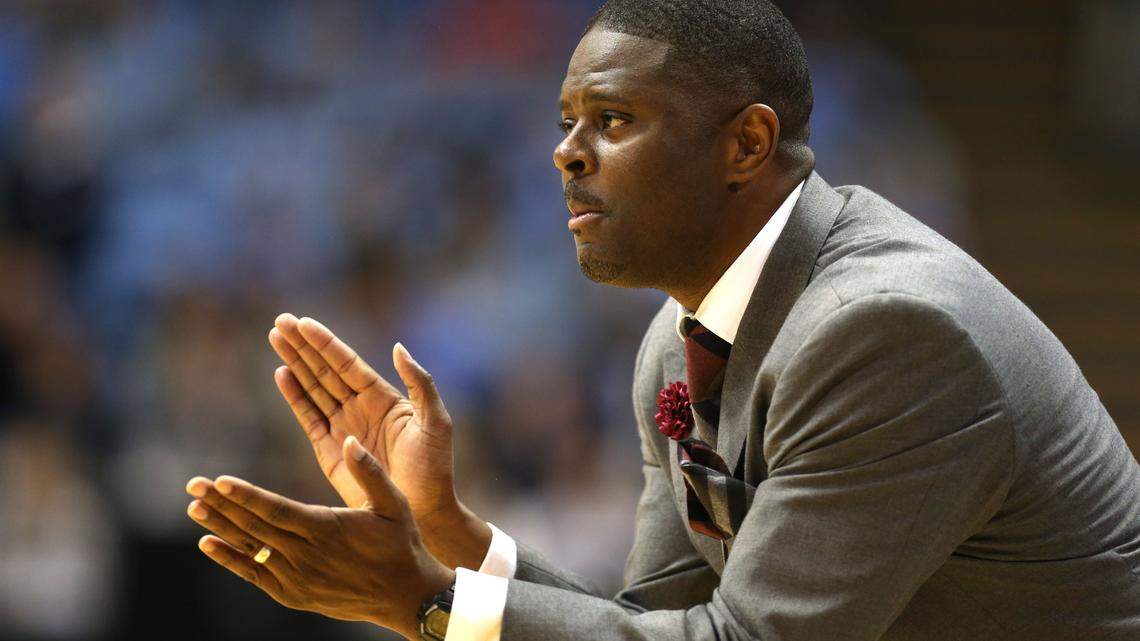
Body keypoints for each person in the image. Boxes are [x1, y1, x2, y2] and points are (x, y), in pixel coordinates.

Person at [185, 2, 1140, 640]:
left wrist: (423, 599)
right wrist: (451, 531)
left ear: (747, 142)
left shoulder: (885, 331)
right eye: (565, 120)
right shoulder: (682, 338)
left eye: (611, 120)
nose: (564, 153)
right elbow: (656, 617)